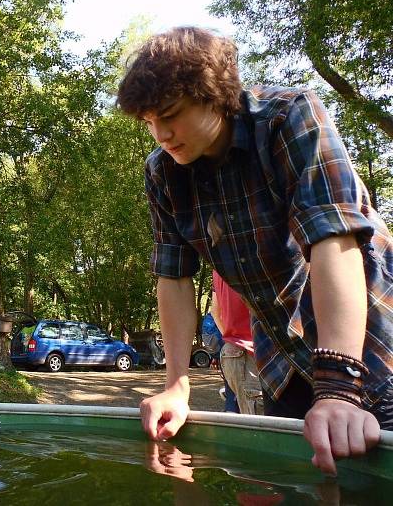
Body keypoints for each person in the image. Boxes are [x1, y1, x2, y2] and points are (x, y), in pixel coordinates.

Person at [116, 27, 392, 475]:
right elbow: (174, 277)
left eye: (170, 114)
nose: (160, 133)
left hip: (373, 346)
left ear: (215, 95)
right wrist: (176, 386)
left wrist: (340, 389)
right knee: (304, 483)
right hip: (283, 359)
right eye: (148, 121)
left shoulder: (291, 118)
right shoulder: (163, 173)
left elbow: (334, 242)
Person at [211, 271, 262, 415]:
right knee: (261, 426)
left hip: (234, 351)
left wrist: (231, 336)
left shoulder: (218, 263)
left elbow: (215, 312)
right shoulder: (258, 253)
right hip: (253, 352)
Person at [200, 309, 240, 413]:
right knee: (236, 387)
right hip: (234, 348)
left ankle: (230, 408)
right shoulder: (225, 309)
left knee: (229, 384)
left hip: (223, 351)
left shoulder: (213, 313)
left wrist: (216, 356)